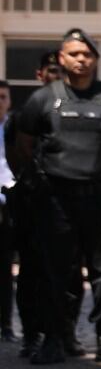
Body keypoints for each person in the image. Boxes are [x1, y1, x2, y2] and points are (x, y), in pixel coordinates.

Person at [13, 29, 101, 365]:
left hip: (99, 198)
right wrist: (40, 177)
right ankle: (55, 337)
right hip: (56, 199)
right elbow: (24, 144)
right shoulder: (44, 98)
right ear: (61, 58)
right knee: (55, 272)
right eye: (74, 54)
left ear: (95, 59)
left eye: (87, 54)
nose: (81, 59)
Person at [6, 52, 61, 359]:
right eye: (51, 71)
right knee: (31, 272)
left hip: (64, 200)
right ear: (40, 74)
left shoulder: (70, 111)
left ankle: (61, 334)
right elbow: (17, 156)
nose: (56, 77)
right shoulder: (26, 112)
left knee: (62, 272)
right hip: (32, 199)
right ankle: (31, 334)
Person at [0, 79, 14, 343]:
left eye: (2, 97)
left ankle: (6, 326)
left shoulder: (15, 128)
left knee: (5, 270)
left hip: (9, 205)